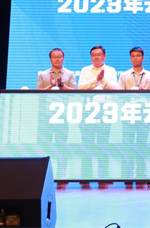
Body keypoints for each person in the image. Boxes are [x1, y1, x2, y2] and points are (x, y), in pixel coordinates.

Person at [77, 46, 117, 181]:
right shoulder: (85, 70)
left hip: (105, 110)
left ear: (104, 56)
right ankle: (86, 175)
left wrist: (102, 79)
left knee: (103, 143)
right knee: (86, 143)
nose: (96, 57)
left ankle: (103, 174)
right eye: (93, 55)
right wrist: (96, 80)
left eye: (99, 54)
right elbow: (81, 87)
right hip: (87, 110)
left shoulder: (111, 70)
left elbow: (114, 88)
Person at [117, 47, 150, 186]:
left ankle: (141, 174)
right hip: (128, 112)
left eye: (138, 56)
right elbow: (119, 94)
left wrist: (145, 92)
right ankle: (127, 174)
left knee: (142, 145)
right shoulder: (124, 75)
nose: (135, 58)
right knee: (127, 144)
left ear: (143, 58)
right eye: (133, 56)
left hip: (144, 113)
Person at [36, 48, 76, 180]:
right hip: (46, 114)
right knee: (45, 142)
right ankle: (44, 171)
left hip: (63, 115)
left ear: (63, 58)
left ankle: (62, 171)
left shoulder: (69, 74)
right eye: (54, 57)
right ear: (50, 59)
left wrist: (62, 86)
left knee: (62, 144)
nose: (57, 59)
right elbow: (38, 93)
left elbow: (74, 92)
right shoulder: (43, 74)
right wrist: (51, 86)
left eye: (59, 57)